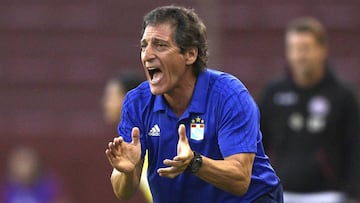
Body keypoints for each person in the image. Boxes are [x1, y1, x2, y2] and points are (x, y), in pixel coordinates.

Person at [105, 5, 283, 203]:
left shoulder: (229, 95)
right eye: (144, 45)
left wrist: (194, 162)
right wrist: (128, 172)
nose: (147, 55)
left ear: (190, 54)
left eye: (160, 45)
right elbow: (123, 192)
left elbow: (240, 179)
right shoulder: (137, 102)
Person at [258, 17, 360, 203]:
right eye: (293, 49)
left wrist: (354, 194)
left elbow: (355, 147)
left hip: (330, 195)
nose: (299, 56)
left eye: (305, 48)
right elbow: (258, 143)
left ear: (322, 50)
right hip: (282, 193)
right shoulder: (273, 92)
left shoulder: (343, 95)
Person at [102, 73, 152, 203]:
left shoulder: (155, 137)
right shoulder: (128, 146)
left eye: (111, 96)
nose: (105, 103)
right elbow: (122, 193)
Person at [1, 146, 68, 203]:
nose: (23, 166)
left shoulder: (49, 187)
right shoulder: (6, 190)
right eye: (20, 161)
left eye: (26, 161)